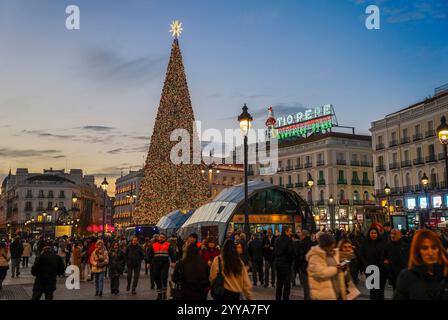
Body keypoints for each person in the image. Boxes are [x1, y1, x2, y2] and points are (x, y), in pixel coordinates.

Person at [394, 229, 448, 300]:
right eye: (425, 248)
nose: (430, 253)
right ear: (417, 251)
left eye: (434, 247)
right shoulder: (407, 276)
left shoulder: (445, 273)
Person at [307, 233, 348, 300]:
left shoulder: (333, 253)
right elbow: (321, 273)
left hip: (337, 291)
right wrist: (336, 268)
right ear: (325, 246)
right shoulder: (314, 256)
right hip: (324, 294)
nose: (333, 247)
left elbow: (343, 258)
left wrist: (344, 266)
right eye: (331, 245)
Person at [360, 226, 386, 300]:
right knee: (372, 290)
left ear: (378, 234)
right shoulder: (365, 243)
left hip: (380, 270)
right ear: (369, 234)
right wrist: (365, 264)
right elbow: (361, 254)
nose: (373, 235)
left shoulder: (382, 243)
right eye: (371, 233)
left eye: (375, 233)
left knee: (380, 290)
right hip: (370, 269)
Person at [147, 233, 176, 299]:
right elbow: (150, 254)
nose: (161, 238)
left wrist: (173, 261)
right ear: (158, 238)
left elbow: (172, 253)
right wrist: (148, 262)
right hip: (156, 264)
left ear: (165, 238)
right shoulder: (154, 245)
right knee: (156, 277)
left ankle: (164, 292)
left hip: (165, 264)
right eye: (160, 237)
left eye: (163, 237)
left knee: (164, 277)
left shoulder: (168, 245)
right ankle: (159, 293)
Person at [273, 227, 295, 300]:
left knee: (279, 283)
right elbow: (291, 252)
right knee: (286, 284)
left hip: (278, 263)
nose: (290, 233)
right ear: (286, 231)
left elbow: (274, 251)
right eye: (290, 231)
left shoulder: (277, 239)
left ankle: (278, 297)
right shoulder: (289, 240)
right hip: (286, 263)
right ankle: (285, 298)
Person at [295, 230, 313, 300]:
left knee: (306, 285)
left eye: (301, 235)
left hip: (304, 266)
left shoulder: (301, 244)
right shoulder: (312, 243)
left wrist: (297, 266)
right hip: (311, 266)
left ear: (304, 236)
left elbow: (300, 256)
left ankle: (307, 298)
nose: (300, 236)